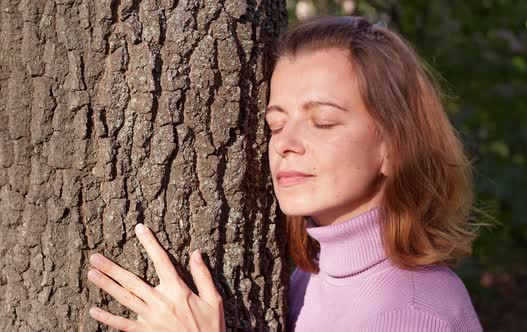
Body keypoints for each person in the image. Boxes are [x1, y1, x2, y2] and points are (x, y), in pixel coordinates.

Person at [85, 16, 483, 331]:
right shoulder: (308, 280)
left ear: (394, 148)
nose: (284, 143)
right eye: (276, 124)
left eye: (323, 121)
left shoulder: (416, 315)